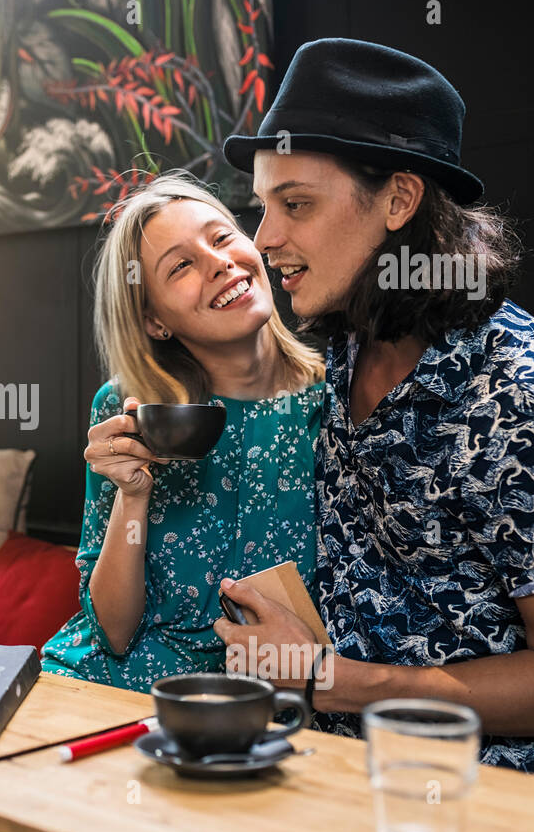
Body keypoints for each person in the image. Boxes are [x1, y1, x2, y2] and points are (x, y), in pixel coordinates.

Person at [215, 37, 534, 783]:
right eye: (262, 207)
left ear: (400, 200)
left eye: (296, 204)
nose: (263, 238)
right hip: (329, 772)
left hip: (493, 801)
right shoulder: (340, 353)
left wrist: (329, 677)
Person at [40, 170, 325, 691]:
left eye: (221, 238)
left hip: (262, 708)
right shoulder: (132, 410)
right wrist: (132, 496)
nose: (220, 264)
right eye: (181, 267)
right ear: (154, 321)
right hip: (109, 691)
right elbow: (113, 634)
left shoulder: (335, 403)